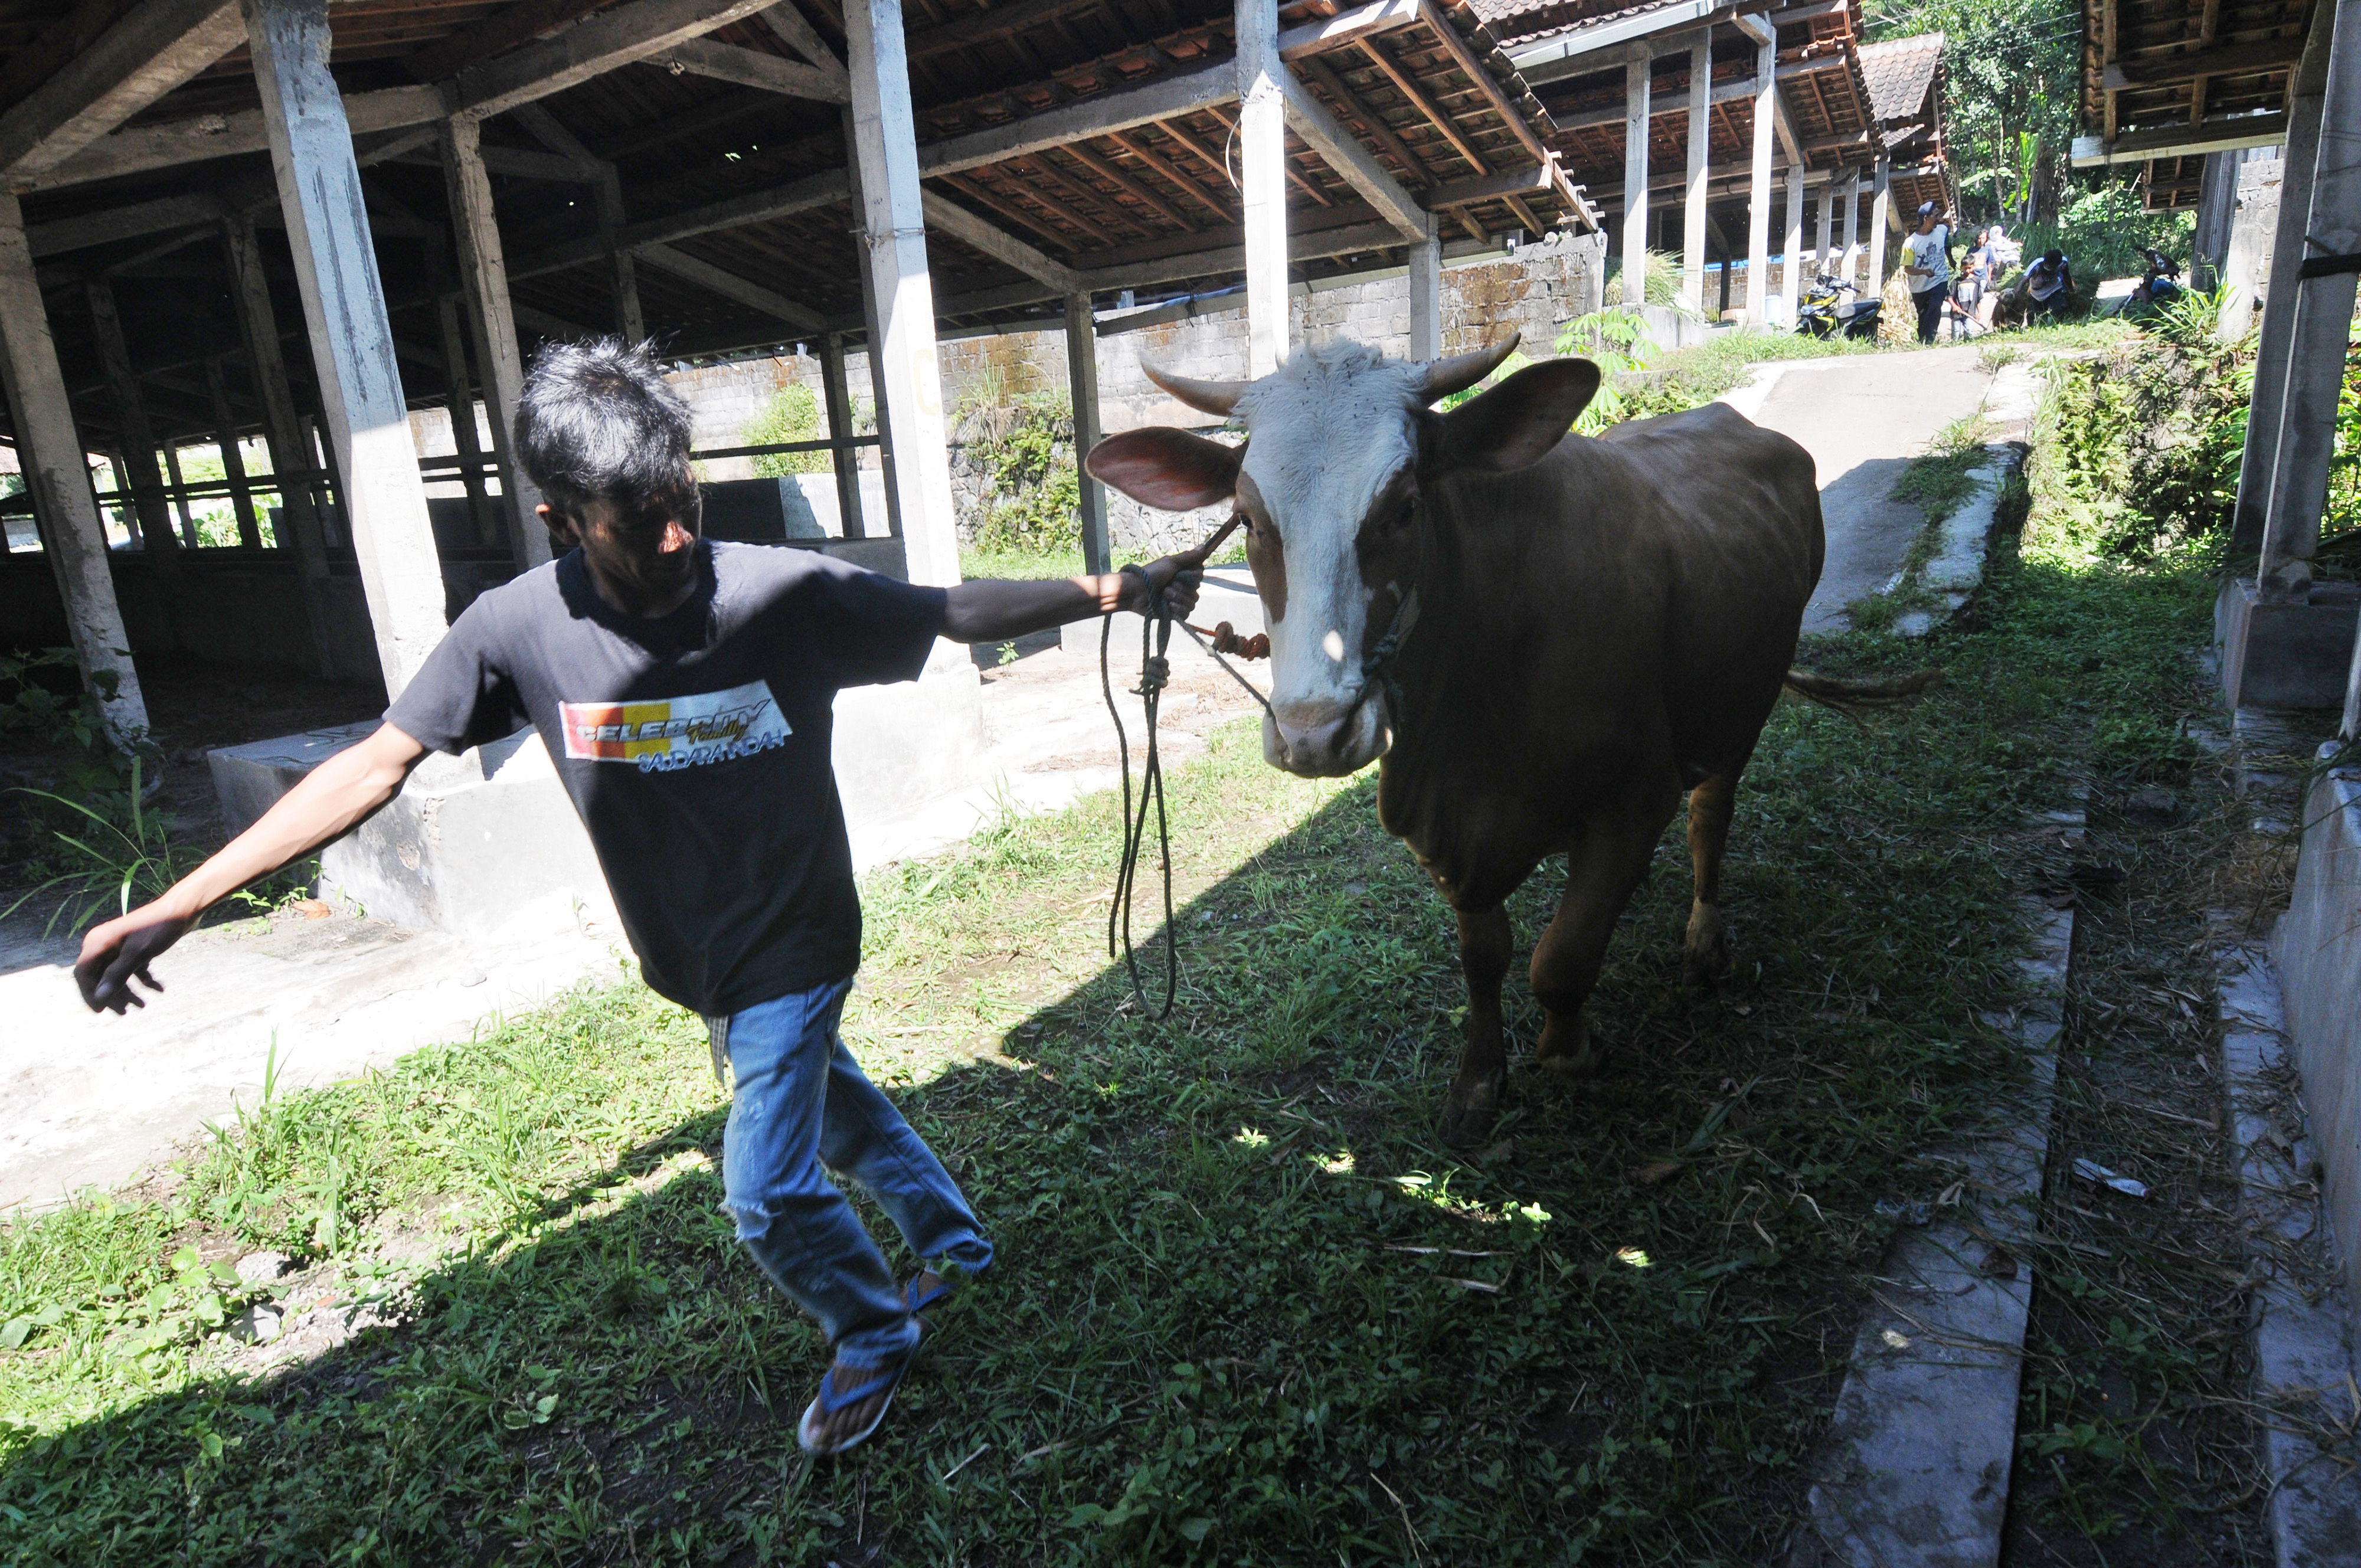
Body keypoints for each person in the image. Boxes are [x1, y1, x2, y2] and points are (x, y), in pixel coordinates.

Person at [70, 339, 1207, 1459]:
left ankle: (871, 1326)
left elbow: (952, 608)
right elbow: (376, 762)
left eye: (681, 502)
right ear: (562, 518)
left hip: (798, 938)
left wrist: (1117, 587)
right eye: (635, 518)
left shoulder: (781, 591)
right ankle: (953, 1241)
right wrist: (187, 899)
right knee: (834, 1108)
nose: (673, 537)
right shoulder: (516, 628)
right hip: (690, 954)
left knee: (766, 1192)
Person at [1900, 200, 1953, 345]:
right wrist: (1923, 272)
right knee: (1923, 314)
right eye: (1935, 216)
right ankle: (1923, 340)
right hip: (1919, 287)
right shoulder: (1910, 243)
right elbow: (1907, 268)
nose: (1939, 219)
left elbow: (1947, 245)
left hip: (1940, 279)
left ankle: (1929, 340)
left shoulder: (1942, 230)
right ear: (1926, 219)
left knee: (1935, 307)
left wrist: (1951, 260)